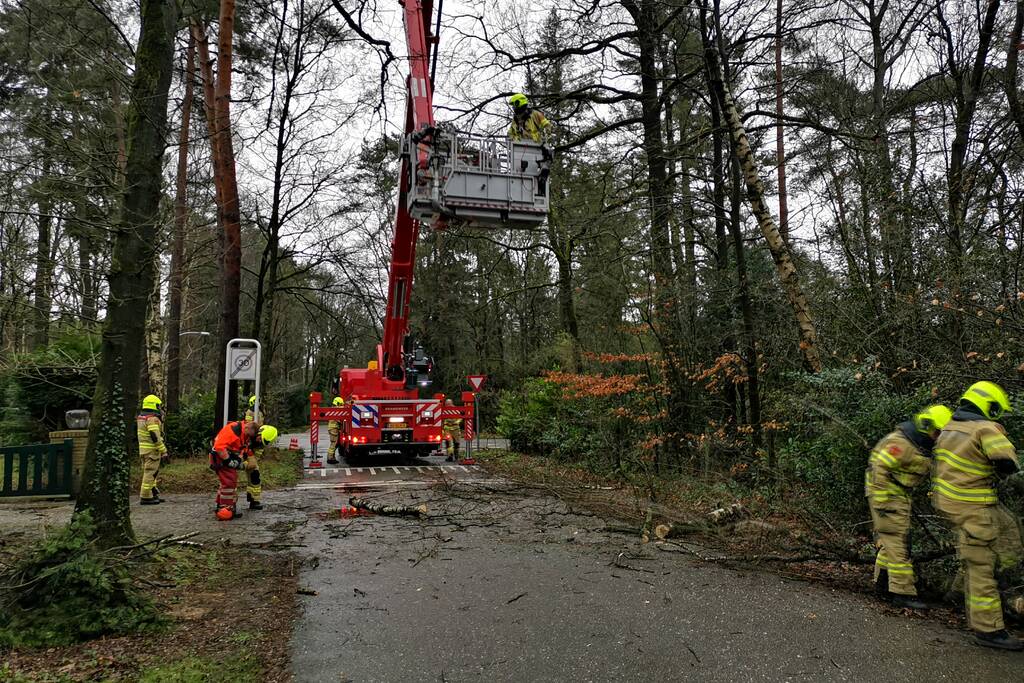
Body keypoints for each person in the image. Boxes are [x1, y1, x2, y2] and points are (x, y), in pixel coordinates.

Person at [932, 381, 1024, 650]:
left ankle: (971, 589)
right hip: (974, 506)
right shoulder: (985, 428)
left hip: (953, 503)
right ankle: (989, 629)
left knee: (1008, 529)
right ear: (989, 406)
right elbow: (1009, 465)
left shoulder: (949, 427)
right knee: (981, 566)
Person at [865, 404, 952, 609]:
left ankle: (883, 585)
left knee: (890, 543)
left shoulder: (919, 443)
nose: (939, 438)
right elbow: (879, 467)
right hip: (888, 496)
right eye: (939, 432)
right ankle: (902, 593)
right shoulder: (901, 443)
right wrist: (882, 501)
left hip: (898, 496)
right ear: (929, 426)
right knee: (899, 545)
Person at [210, 419, 258, 520]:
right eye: (250, 435)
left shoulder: (243, 431)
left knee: (227, 482)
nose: (250, 438)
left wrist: (241, 459)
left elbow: (242, 446)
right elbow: (219, 447)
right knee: (229, 482)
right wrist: (228, 460)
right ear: (248, 428)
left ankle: (221, 505)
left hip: (224, 456)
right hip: (220, 457)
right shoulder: (234, 431)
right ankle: (226, 508)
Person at [137, 394, 168, 505]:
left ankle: (152, 492)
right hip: (152, 451)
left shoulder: (141, 417)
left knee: (152, 473)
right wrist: (163, 451)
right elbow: (155, 436)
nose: (160, 409)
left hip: (144, 450)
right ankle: (145, 496)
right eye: (158, 406)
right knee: (150, 473)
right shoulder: (152, 419)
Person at [242, 425, 277, 511]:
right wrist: (241, 463)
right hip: (236, 456)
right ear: (259, 433)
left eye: (263, 442)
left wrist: (249, 465)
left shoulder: (261, 445)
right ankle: (227, 504)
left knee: (255, 475)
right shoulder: (247, 434)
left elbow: (255, 458)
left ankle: (254, 500)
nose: (259, 441)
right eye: (260, 439)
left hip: (249, 458)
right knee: (230, 480)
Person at [327, 396, 344, 464]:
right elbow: (339, 420)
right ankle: (330, 458)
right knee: (333, 443)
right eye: (341, 404)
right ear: (338, 403)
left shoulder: (333, 409)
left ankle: (332, 458)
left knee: (335, 444)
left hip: (333, 428)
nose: (342, 406)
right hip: (334, 429)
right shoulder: (336, 410)